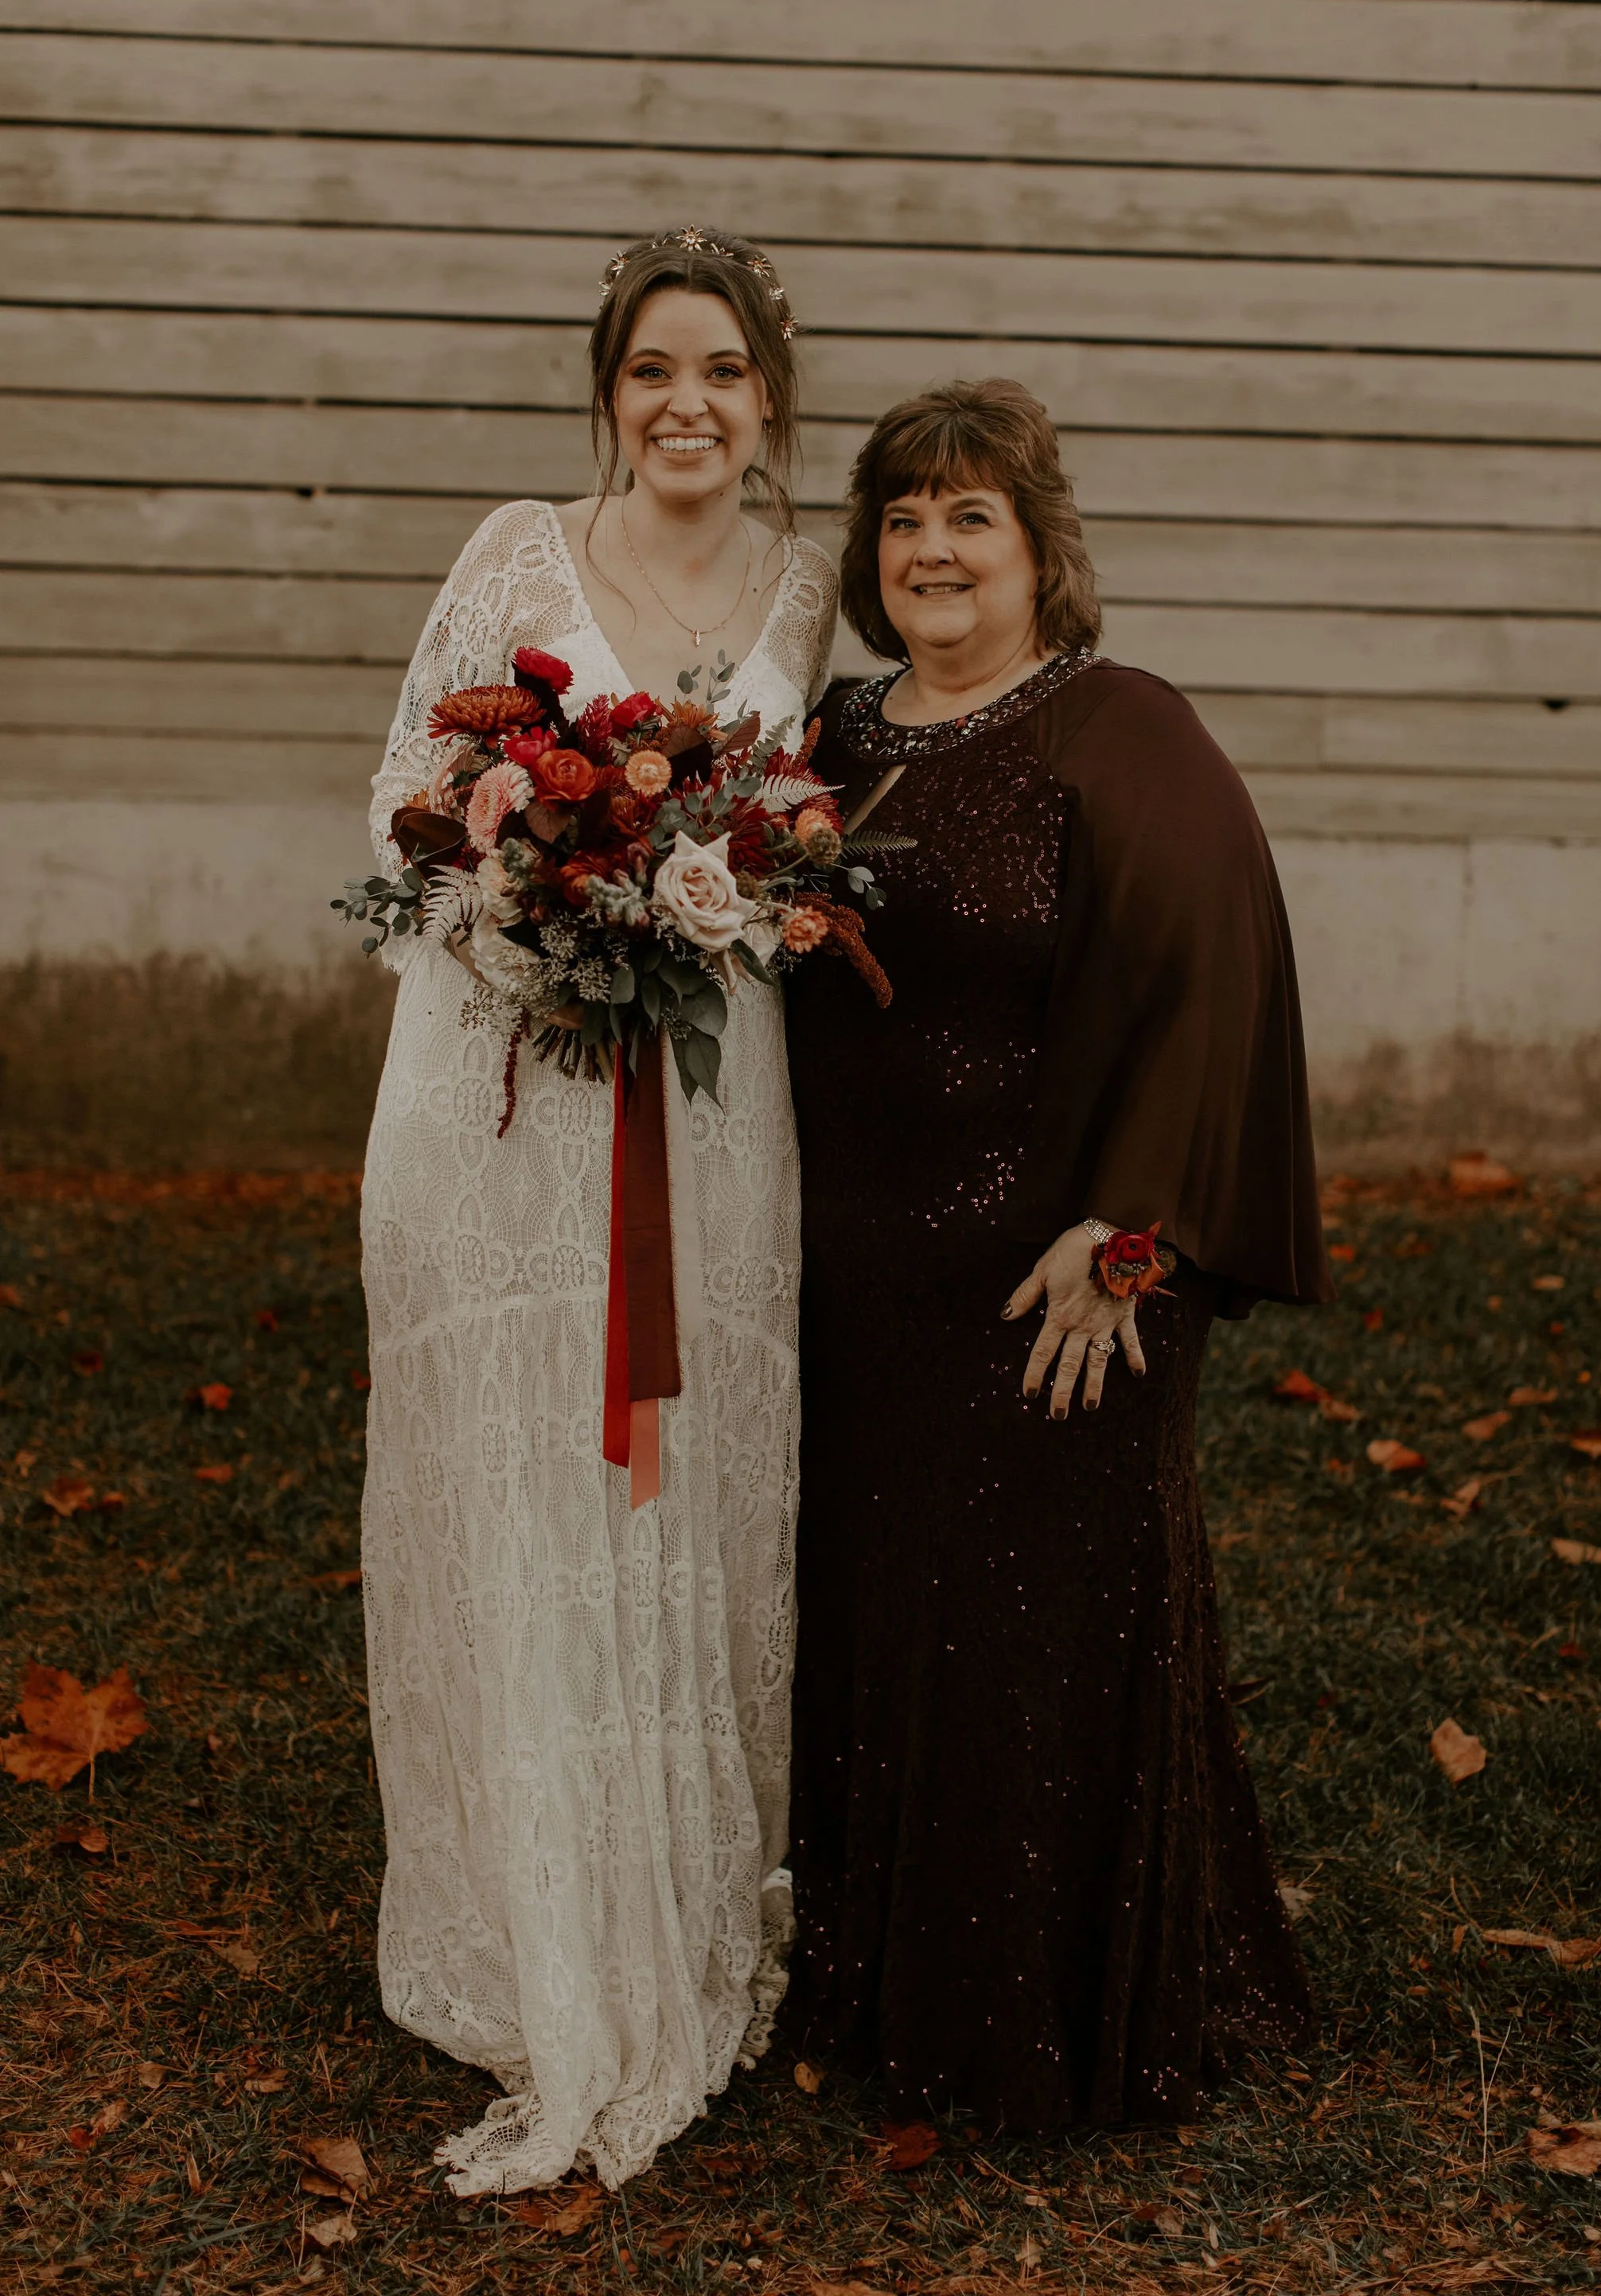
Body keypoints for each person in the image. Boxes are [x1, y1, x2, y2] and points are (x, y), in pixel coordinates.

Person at [782, 379, 1330, 2131]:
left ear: (1037, 550)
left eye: (971, 517)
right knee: (880, 1620)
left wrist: (1131, 1235)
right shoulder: (828, 738)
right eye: (902, 519)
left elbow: (1214, 985)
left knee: (1025, 1643)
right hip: (856, 1271)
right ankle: (879, 1991)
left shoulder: (1121, 727)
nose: (931, 550)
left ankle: (1039, 2023)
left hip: (1054, 1270)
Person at [360, 229, 836, 2193]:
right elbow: (404, 807)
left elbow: (806, 838)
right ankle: (533, 1912)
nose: (686, 405)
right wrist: (546, 909)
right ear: (607, 393)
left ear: (768, 397)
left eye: (720, 371)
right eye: (652, 371)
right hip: (512, 1103)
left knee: (684, 1479)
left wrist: (715, 895)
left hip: (712, 1113)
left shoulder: (808, 584)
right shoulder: (514, 558)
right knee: (536, 1482)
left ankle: (680, 1884)